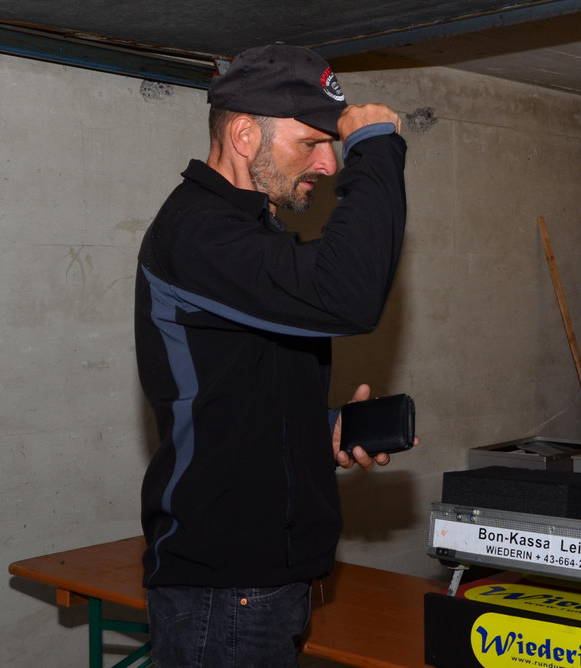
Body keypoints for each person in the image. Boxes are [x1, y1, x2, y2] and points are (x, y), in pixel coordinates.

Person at [134, 44, 407, 667]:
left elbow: (238, 388)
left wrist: (320, 428)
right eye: (311, 143)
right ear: (244, 134)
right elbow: (348, 294)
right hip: (225, 588)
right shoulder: (198, 232)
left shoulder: (252, 232)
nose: (329, 163)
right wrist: (374, 147)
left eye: (334, 145)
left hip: (261, 583)